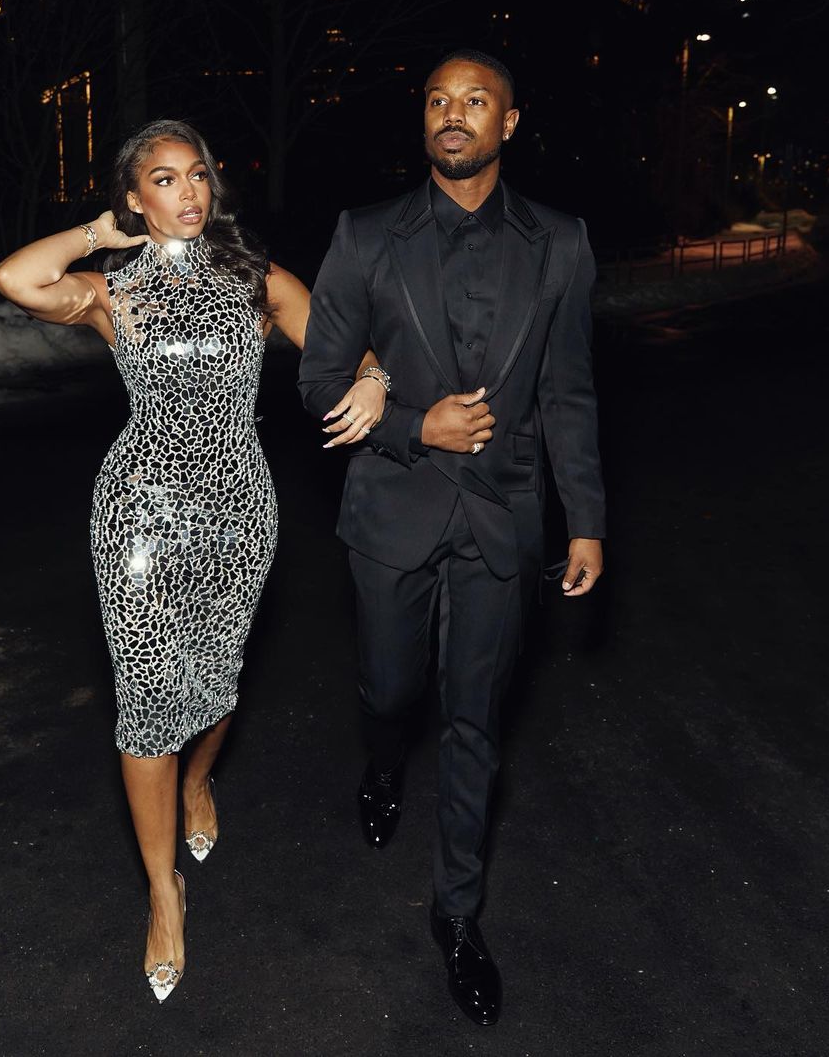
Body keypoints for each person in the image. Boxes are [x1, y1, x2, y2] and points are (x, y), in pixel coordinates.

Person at [0, 119, 386, 1005]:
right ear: (137, 197)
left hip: (239, 513)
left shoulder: (253, 280)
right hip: (136, 512)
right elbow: (16, 278)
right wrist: (101, 234)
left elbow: (348, 346)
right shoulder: (110, 290)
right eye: (163, 179)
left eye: (198, 174)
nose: (188, 191)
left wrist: (374, 380)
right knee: (143, 704)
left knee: (217, 681)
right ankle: (163, 894)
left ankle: (201, 777)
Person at [298, 50, 605, 1027]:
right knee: (391, 690)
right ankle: (384, 756)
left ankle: (459, 917)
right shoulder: (367, 236)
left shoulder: (560, 243)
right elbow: (318, 379)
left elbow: (567, 393)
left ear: (509, 123)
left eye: (476, 101)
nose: (454, 114)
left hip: (502, 520)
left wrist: (585, 518)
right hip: (393, 510)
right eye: (438, 100)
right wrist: (410, 423)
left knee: (475, 722)